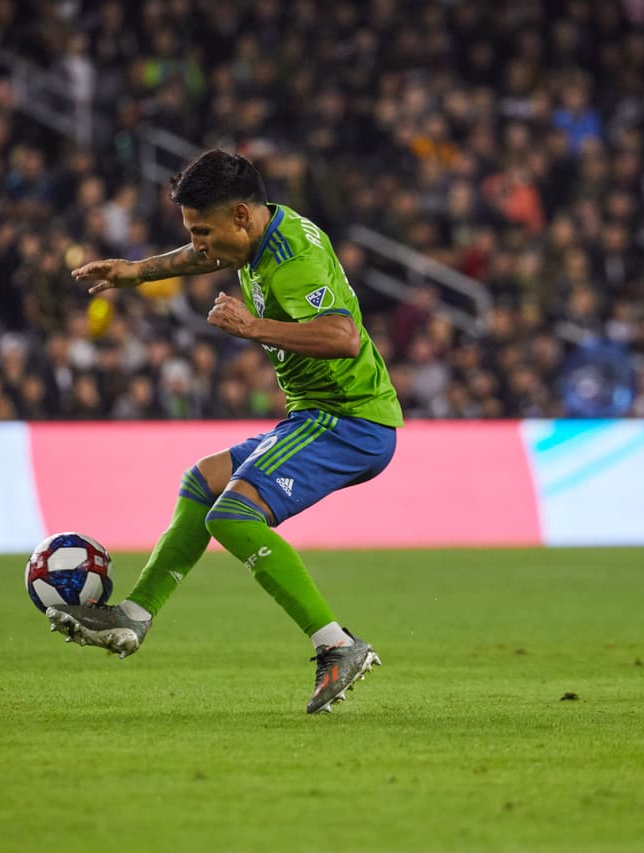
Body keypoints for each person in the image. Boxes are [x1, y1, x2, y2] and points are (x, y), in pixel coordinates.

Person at [47, 150, 403, 713]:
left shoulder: (295, 258)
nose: (200, 244)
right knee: (203, 481)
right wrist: (135, 272)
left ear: (241, 215)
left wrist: (251, 326)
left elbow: (343, 337)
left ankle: (337, 644)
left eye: (203, 230)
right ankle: (134, 616)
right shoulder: (256, 233)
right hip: (317, 413)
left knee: (232, 513)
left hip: (350, 419)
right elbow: (203, 258)